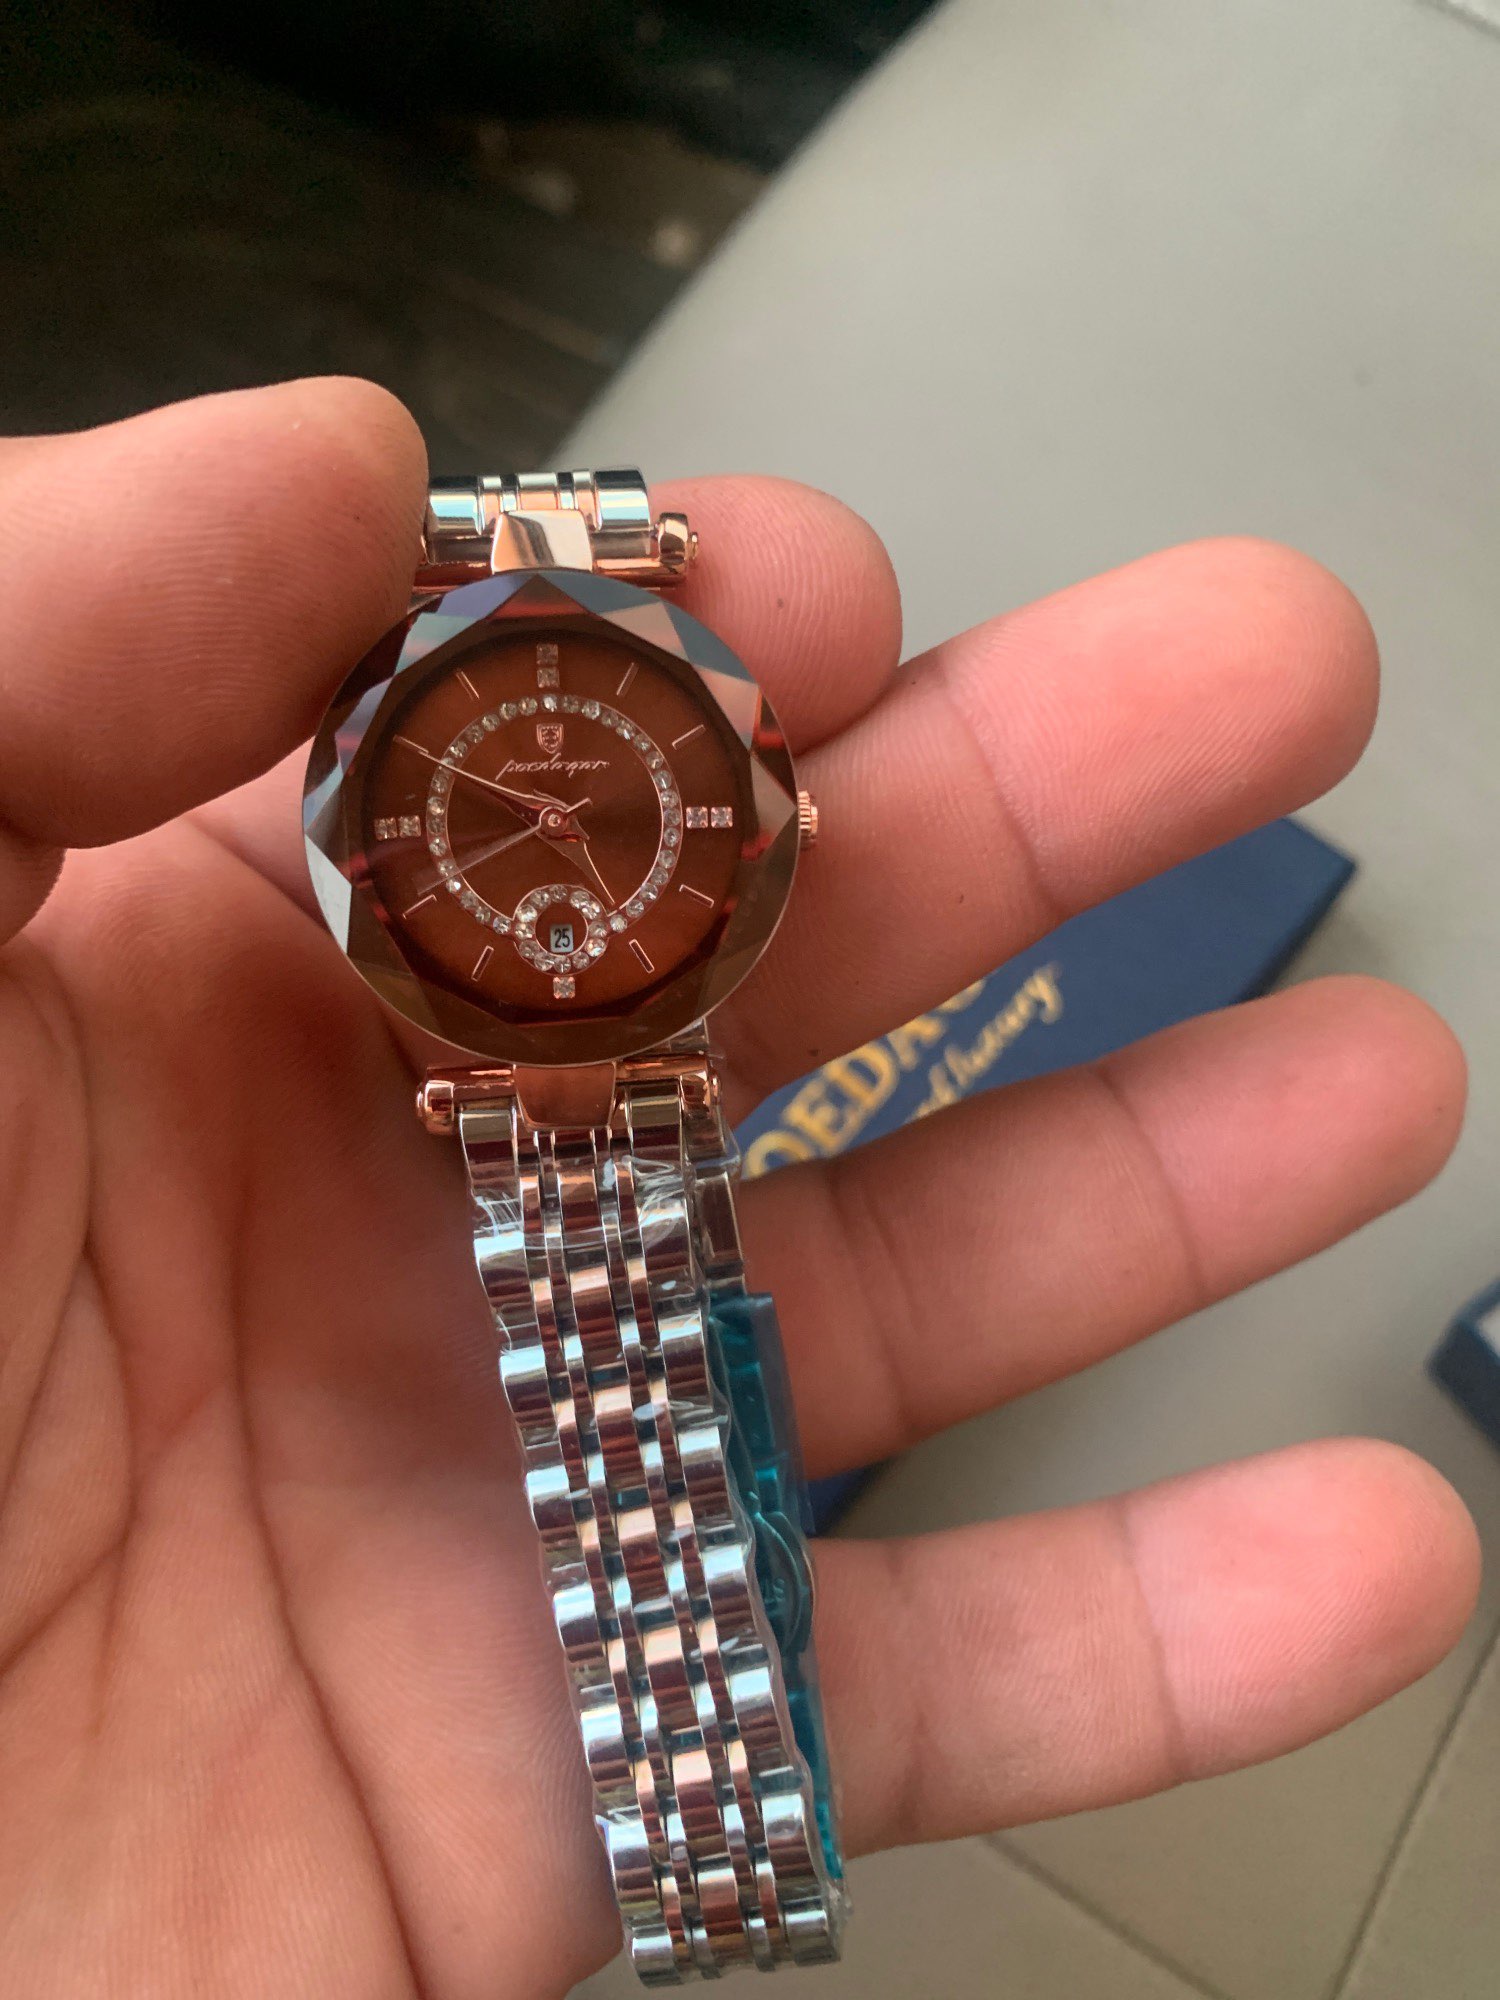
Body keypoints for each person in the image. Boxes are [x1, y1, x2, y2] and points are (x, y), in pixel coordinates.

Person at [0, 377, 1477, 1997]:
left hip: (588, 1057)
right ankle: (717, 1857)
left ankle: (720, 1857)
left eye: (580, 799)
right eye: (520, 801)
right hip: (518, 1056)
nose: (554, 807)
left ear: (775, 822)